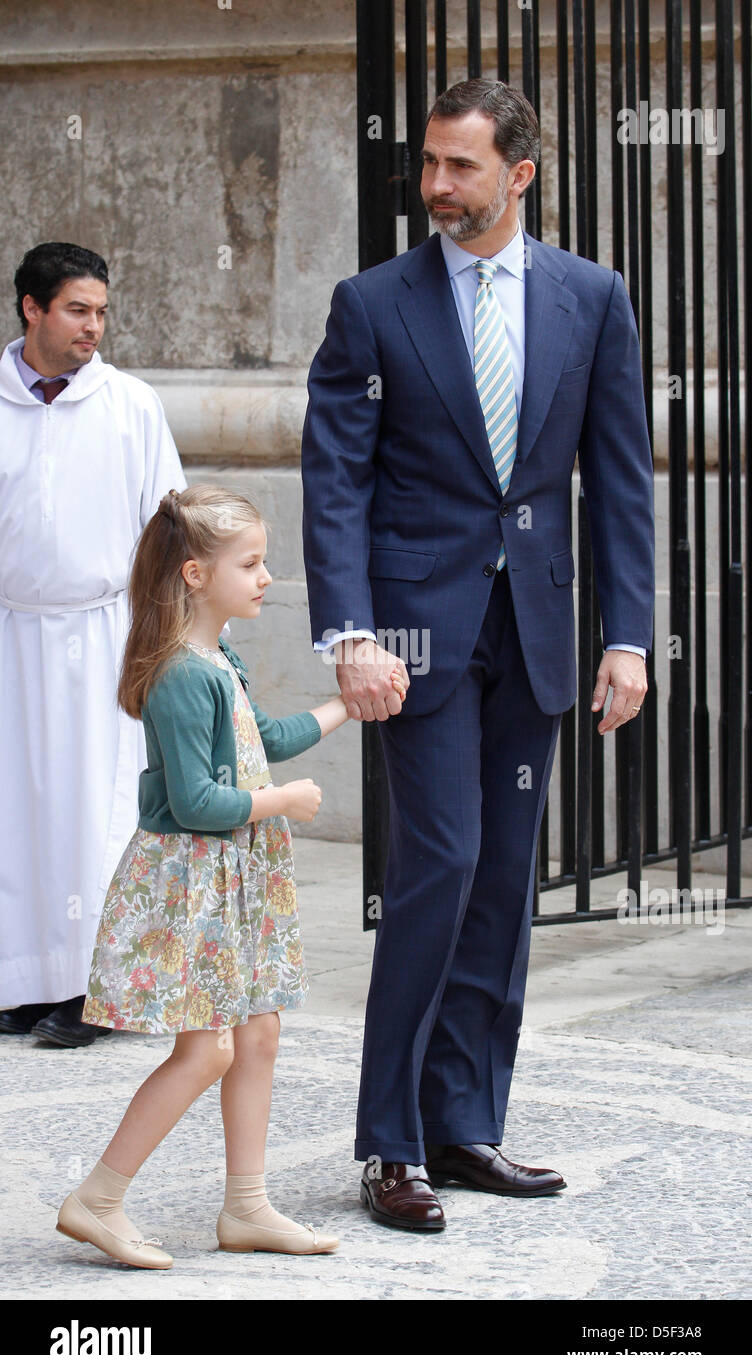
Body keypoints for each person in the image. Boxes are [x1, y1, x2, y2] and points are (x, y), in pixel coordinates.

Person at [301, 78, 654, 1231]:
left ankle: (463, 1126)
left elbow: (618, 474)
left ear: (519, 174)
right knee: (439, 865)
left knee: (502, 881)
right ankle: (388, 1141)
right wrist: (348, 633)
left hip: (538, 630)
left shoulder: (589, 298)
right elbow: (335, 476)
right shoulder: (371, 303)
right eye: (428, 162)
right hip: (413, 635)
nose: (434, 185)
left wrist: (630, 637)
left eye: (459, 166)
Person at [56, 483, 405, 1267]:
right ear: (193, 575)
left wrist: (348, 705)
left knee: (258, 1034)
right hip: (193, 887)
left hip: (231, 882)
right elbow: (196, 801)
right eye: (249, 563)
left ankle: (246, 1207)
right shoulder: (183, 673)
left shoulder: (219, 661)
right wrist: (282, 802)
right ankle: (98, 1198)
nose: (265, 578)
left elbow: (266, 737)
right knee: (208, 1050)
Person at [0, 242, 187, 1046]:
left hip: (104, 634)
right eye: (78, 309)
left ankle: (95, 989)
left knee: (94, 812)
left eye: (102, 312)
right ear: (30, 308)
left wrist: (168, 641)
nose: (94, 328)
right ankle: (25, 980)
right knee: (20, 812)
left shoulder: (131, 405)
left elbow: (170, 525)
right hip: (12, 631)